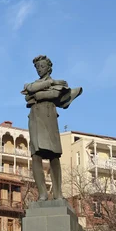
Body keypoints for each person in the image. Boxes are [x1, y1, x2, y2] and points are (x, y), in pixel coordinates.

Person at [21, 55, 82, 201]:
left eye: (42, 66)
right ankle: (42, 193)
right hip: (35, 119)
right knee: (36, 155)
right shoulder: (50, 83)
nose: (39, 70)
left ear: (48, 67)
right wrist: (48, 85)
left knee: (54, 156)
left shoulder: (58, 85)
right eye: (37, 68)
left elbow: (54, 94)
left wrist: (37, 94)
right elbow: (28, 92)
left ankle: (58, 193)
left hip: (49, 118)